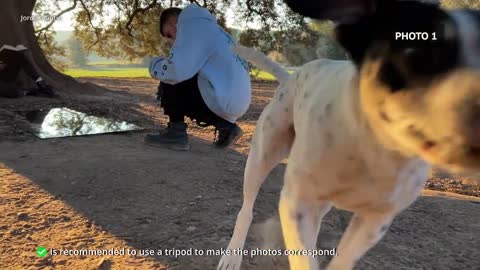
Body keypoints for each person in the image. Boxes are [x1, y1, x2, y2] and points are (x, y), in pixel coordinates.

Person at [146, 3, 251, 151]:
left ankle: (176, 134)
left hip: (223, 98)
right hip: (235, 102)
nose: (173, 41)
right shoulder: (214, 30)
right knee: (184, 72)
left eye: (170, 35)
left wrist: (154, 65)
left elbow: (176, 71)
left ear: (173, 22)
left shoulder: (192, 26)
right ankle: (226, 126)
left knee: (169, 74)